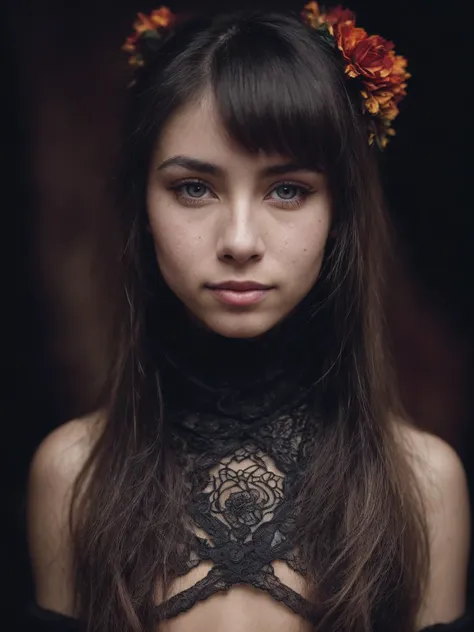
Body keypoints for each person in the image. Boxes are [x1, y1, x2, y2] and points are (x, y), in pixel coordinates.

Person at [22, 3, 472, 632]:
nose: (239, 240)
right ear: (142, 206)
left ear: (338, 214)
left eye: (287, 189)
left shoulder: (422, 487)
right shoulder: (74, 476)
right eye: (194, 188)